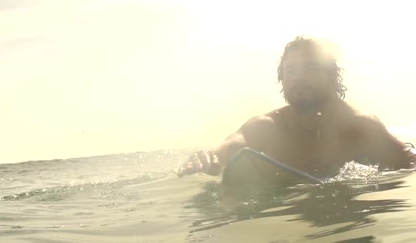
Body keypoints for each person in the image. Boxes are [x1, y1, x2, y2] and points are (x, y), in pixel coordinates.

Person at [178, 36, 415, 179]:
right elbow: (236, 141)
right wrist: (211, 155)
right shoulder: (268, 125)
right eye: (289, 70)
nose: (298, 77)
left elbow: (407, 162)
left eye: (310, 67)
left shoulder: (360, 125)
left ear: (332, 77)